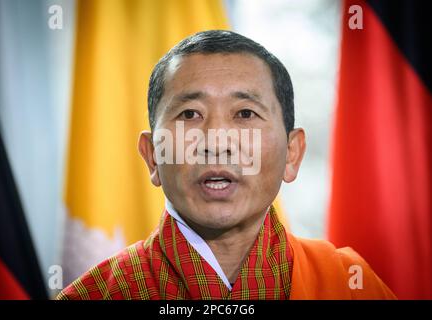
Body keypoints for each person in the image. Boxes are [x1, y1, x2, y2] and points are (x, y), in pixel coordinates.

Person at [57, 30, 396, 300]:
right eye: (190, 114)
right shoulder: (98, 294)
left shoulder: (349, 285)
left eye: (245, 114)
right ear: (152, 156)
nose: (216, 142)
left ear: (292, 153)